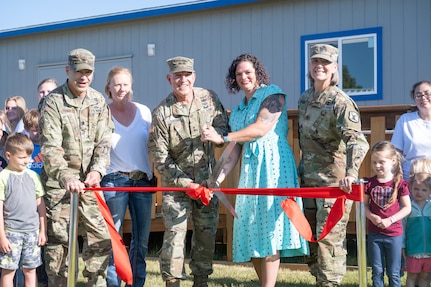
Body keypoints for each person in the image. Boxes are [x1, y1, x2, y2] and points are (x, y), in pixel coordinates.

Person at [202, 53, 309, 286]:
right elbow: (235, 149)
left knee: (270, 229)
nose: (243, 77)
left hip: (273, 168)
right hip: (250, 172)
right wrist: (216, 178)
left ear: (257, 72)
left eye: (248, 72)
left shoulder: (273, 94)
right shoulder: (239, 110)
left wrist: (222, 136)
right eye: (238, 74)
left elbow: (261, 128)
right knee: (251, 228)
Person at [148, 56, 229, 287]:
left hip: (206, 182)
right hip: (177, 186)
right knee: (175, 234)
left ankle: (201, 280)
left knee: (206, 233)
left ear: (194, 76)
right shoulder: (162, 112)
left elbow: (224, 131)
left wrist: (216, 135)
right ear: (169, 79)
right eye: (177, 76)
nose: (182, 80)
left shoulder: (210, 99)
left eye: (187, 75)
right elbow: (161, 159)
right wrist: (185, 183)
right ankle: (172, 281)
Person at [38, 48, 114, 286]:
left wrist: (97, 170)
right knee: (60, 244)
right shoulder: (53, 102)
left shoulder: (98, 100)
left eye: (88, 72)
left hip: (90, 184)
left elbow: (105, 140)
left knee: (99, 238)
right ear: (67, 71)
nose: (84, 77)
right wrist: (66, 176)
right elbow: (50, 147)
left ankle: (96, 282)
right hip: (60, 186)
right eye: (79, 71)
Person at [298, 44, 370, 287]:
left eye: (325, 63)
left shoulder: (341, 102)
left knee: (329, 241)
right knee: (311, 240)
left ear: (334, 68)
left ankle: (329, 283)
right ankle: (320, 279)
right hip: (308, 183)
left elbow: (357, 142)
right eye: (315, 61)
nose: (320, 66)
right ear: (309, 66)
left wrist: (351, 174)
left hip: (334, 185)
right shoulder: (305, 98)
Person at [100, 67, 154, 287]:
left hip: (142, 181)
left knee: (141, 242)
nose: (121, 88)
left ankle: (136, 283)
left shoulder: (144, 111)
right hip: (114, 180)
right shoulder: (102, 113)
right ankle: (114, 283)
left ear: (131, 86)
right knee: (114, 241)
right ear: (109, 88)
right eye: (116, 84)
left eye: (125, 84)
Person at [0, 133, 47, 287]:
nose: (26, 161)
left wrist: (42, 231)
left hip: (32, 232)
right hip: (11, 232)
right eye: (21, 157)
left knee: (30, 270)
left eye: (28, 156)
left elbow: (40, 205)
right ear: (8, 155)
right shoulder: (3, 177)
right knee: (9, 271)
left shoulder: (33, 176)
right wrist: (2, 237)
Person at [364, 141, 411, 287]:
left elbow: (407, 207)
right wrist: (372, 216)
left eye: (381, 162)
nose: (377, 166)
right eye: (374, 162)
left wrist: (390, 220)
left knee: (394, 272)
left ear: (393, 161)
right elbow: (363, 206)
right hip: (374, 235)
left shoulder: (400, 184)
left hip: (394, 235)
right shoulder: (369, 184)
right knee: (377, 271)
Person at [23, 109, 47, 287]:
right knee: (30, 246)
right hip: (26, 202)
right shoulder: (24, 150)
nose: (35, 133)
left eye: (39, 129)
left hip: (43, 200)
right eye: (32, 129)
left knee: (44, 241)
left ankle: (45, 280)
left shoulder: (47, 149)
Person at [391, 80, 431, 180]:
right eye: (418, 95)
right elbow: (396, 152)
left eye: (427, 93)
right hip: (411, 180)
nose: (423, 98)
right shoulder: (405, 120)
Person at [403, 171, 431, 287]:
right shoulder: (408, 207)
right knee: (412, 276)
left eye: (424, 190)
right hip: (413, 250)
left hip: (429, 251)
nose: (419, 192)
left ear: (430, 192)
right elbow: (402, 228)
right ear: (411, 188)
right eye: (416, 189)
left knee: (425, 276)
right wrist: (402, 246)